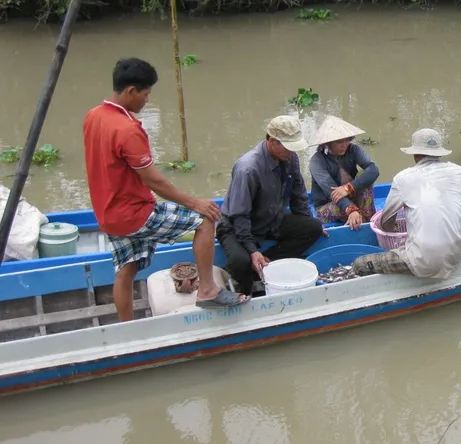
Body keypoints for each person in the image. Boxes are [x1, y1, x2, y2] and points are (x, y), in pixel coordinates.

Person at [82, 58, 245, 321]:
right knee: (205, 219)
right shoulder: (128, 129)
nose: (147, 100)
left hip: (107, 214)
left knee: (126, 268)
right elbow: (153, 181)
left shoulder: (93, 116)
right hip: (134, 213)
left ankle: (126, 329)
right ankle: (207, 290)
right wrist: (194, 203)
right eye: (146, 94)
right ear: (131, 91)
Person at [216, 115, 325, 296]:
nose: (292, 152)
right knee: (240, 262)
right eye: (289, 147)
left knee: (313, 228)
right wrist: (251, 251)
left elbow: (298, 195)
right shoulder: (248, 169)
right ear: (273, 141)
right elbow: (239, 215)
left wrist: (306, 221)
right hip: (237, 225)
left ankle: (267, 262)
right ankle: (246, 290)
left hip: (271, 218)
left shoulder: (290, 158)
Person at [351, 129, 461, 279]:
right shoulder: (458, 172)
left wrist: (393, 227)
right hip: (457, 253)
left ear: (415, 155)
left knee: (359, 264)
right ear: (439, 153)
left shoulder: (403, 178)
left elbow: (386, 222)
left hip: (424, 261)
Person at [308, 116, 380, 230]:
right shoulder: (317, 161)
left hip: (350, 194)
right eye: (339, 142)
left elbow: (373, 169)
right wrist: (350, 208)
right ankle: (368, 226)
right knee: (354, 212)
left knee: (365, 175)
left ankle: (368, 223)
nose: (345, 145)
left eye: (347, 140)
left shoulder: (353, 150)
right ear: (328, 143)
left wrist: (348, 188)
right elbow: (332, 193)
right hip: (328, 205)